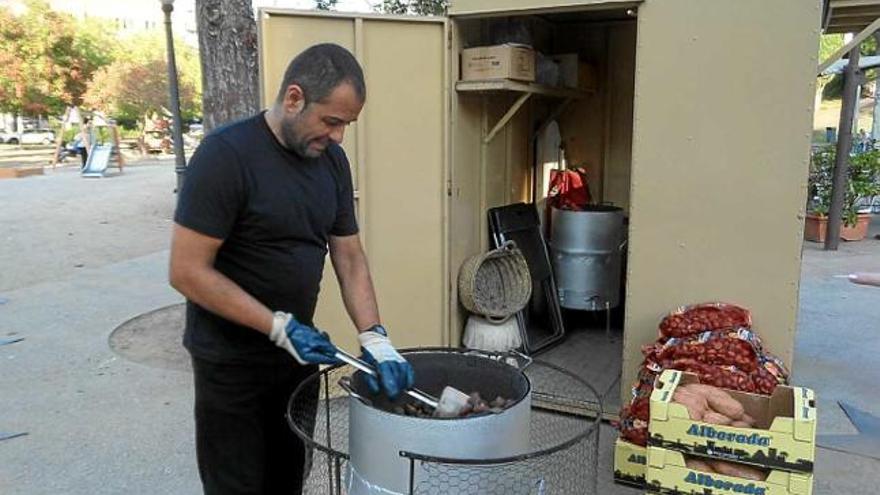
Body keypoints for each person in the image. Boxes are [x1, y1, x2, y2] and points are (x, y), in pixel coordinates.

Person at [169, 43, 414, 495]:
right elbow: (187, 271)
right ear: (295, 98)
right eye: (332, 121)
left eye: (346, 125)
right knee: (238, 486)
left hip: (296, 358)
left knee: (287, 479)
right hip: (230, 364)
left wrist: (375, 338)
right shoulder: (225, 156)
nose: (339, 137)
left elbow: (349, 256)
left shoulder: (332, 163)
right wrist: (275, 325)